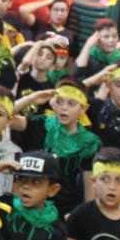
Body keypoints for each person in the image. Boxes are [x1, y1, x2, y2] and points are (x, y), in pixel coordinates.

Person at [15, 81, 101, 217]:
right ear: (53, 104)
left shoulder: (89, 142)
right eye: (59, 102)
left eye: (71, 103)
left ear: (83, 109)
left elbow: (89, 184)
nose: (64, 108)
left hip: (64, 207)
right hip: (28, 200)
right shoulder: (40, 123)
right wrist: (32, 98)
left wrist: (86, 215)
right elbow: (4, 115)